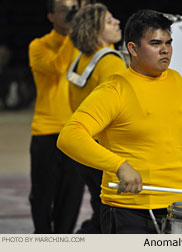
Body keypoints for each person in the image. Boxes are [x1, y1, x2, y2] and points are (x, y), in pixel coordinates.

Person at [57, 9, 182, 234]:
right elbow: (70, 136)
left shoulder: (177, 83)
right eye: (155, 43)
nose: (165, 50)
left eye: (169, 43)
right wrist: (119, 166)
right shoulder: (115, 89)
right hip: (128, 212)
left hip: (176, 211)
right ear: (133, 48)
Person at [67, 3, 127, 233]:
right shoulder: (111, 61)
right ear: (95, 30)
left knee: (98, 205)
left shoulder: (81, 58)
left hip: (85, 149)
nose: (117, 23)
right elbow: (121, 110)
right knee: (112, 214)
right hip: (105, 151)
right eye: (109, 21)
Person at [28, 0, 84, 233]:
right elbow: (57, 66)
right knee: (42, 195)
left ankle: (64, 240)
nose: (70, 13)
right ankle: (43, 239)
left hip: (77, 131)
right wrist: (74, 31)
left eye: (74, 8)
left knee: (72, 196)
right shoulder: (39, 46)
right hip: (47, 130)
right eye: (64, 9)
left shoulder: (84, 46)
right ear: (51, 16)